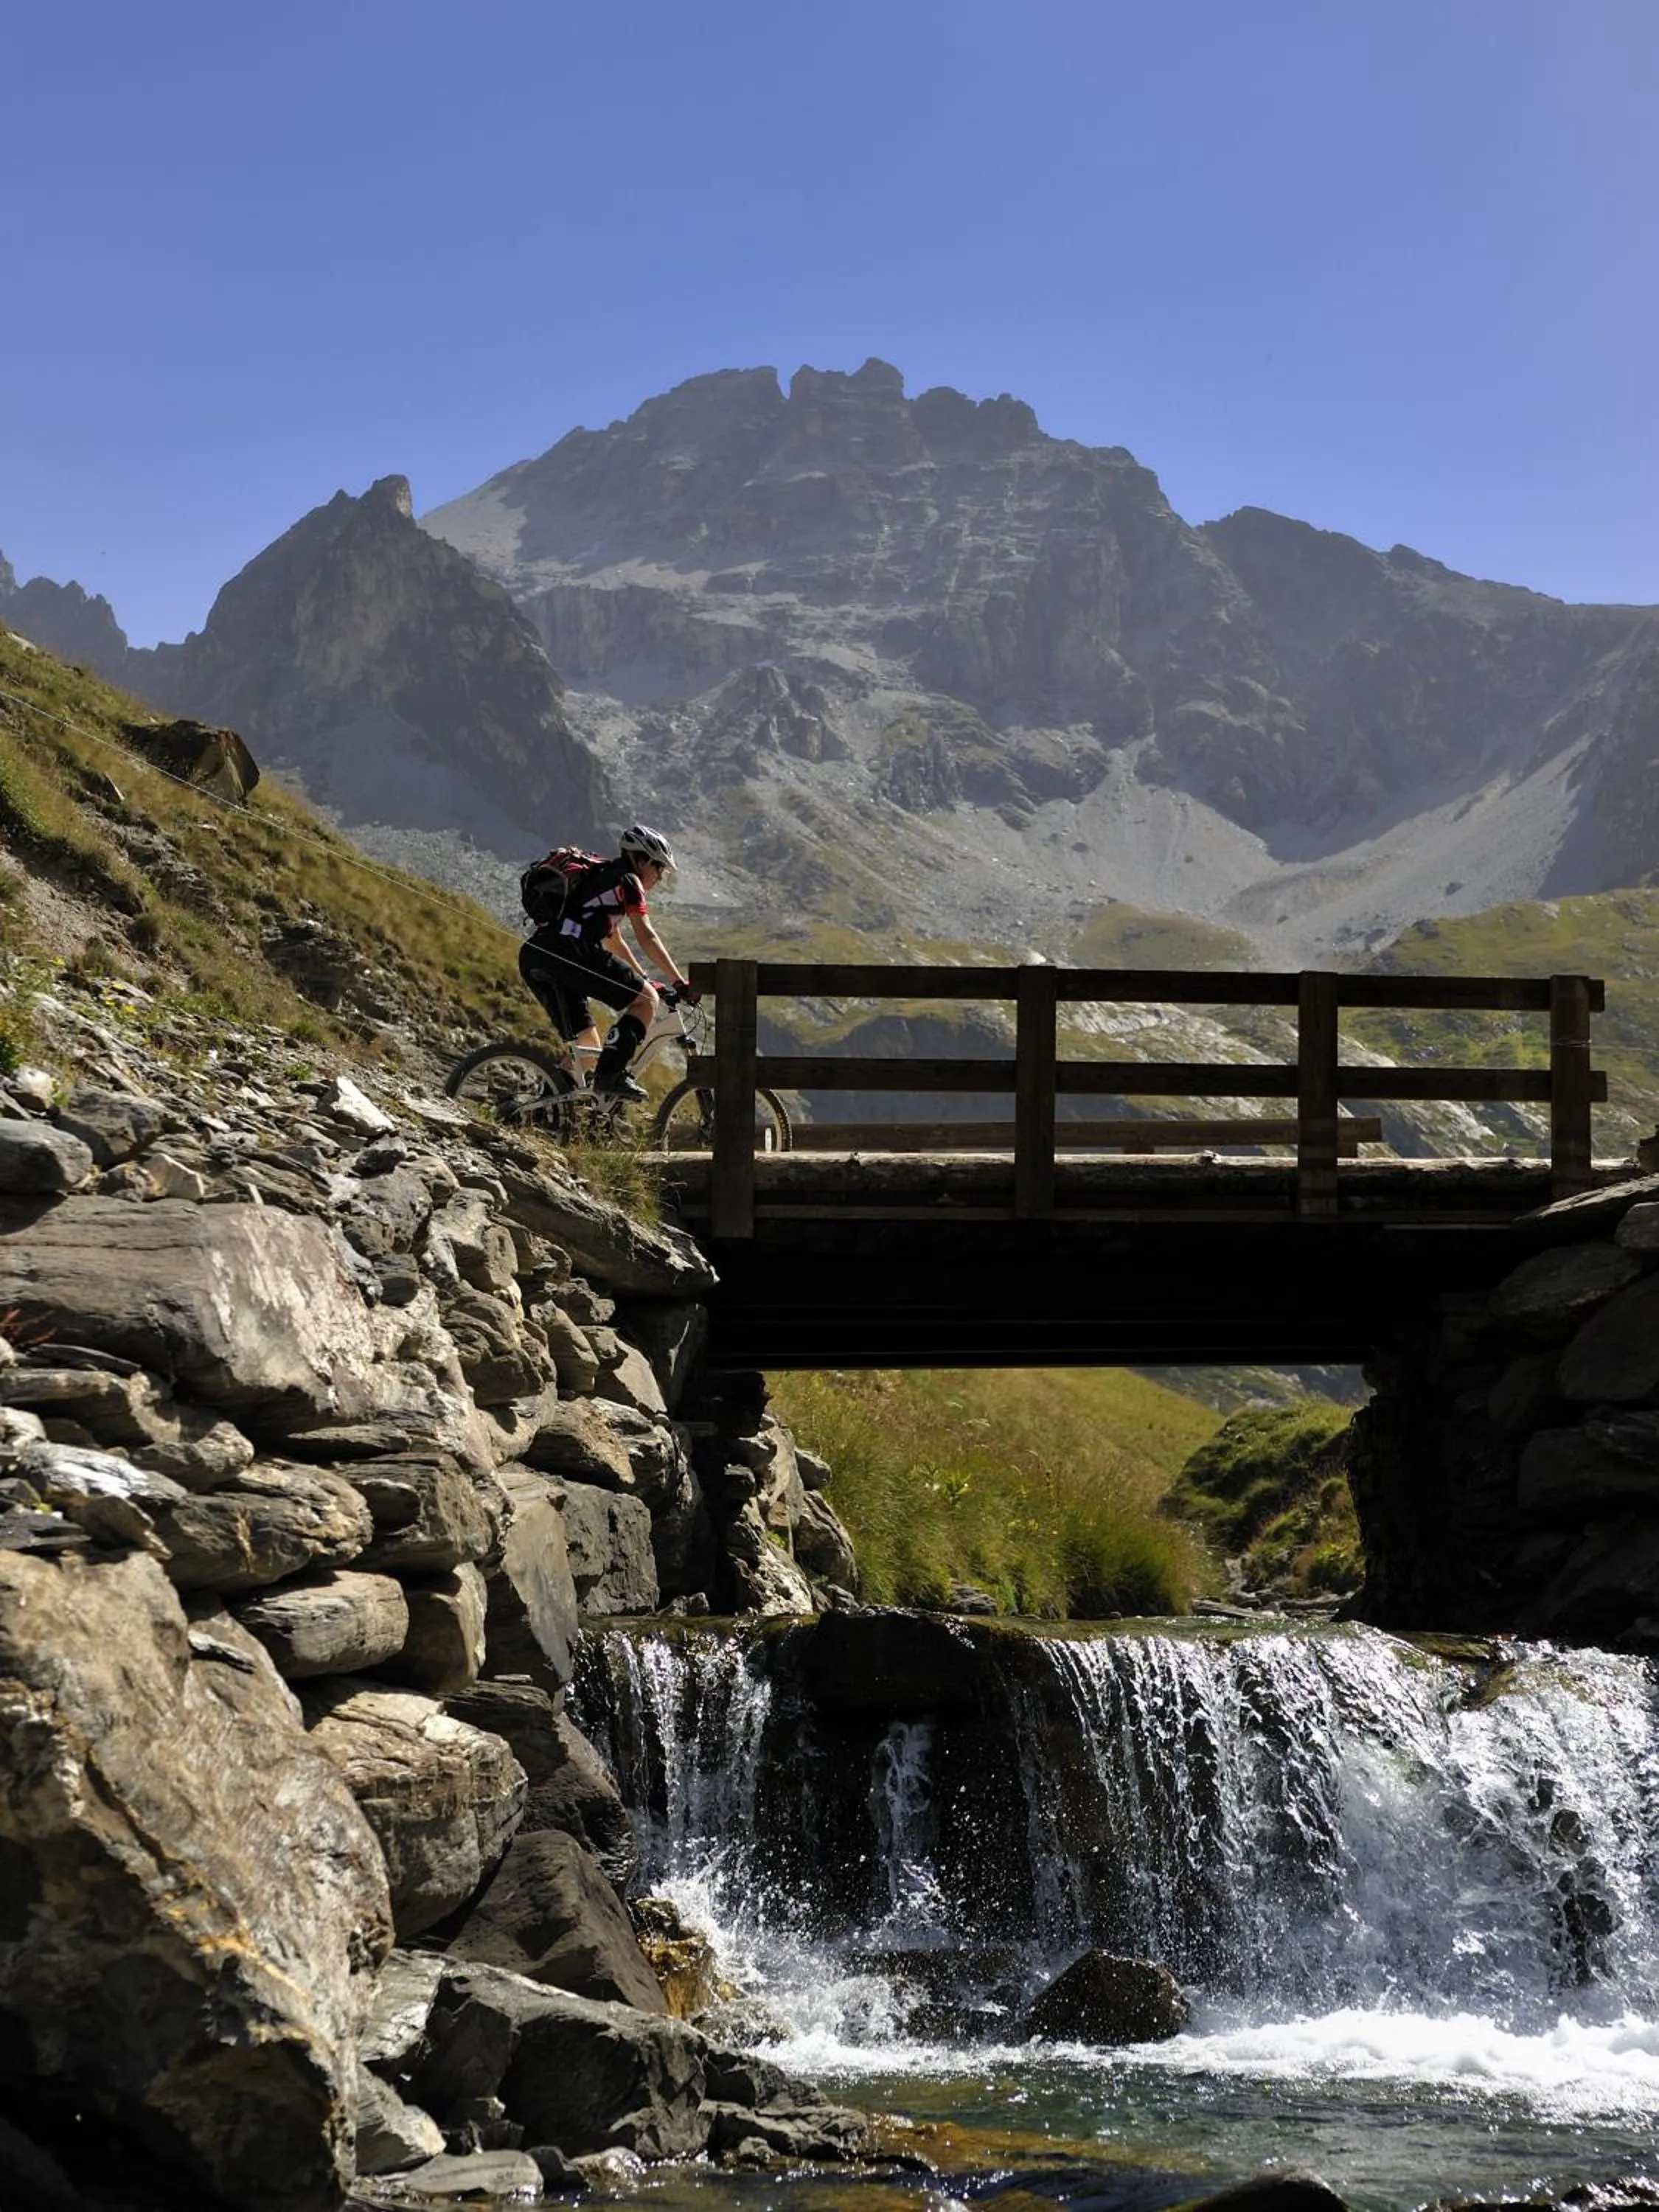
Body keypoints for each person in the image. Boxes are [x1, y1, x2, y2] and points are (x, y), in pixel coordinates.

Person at [518, 823, 698, 1100]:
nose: (660, 877)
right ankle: (611, 1076)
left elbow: (615, 943)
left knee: (587, 1047)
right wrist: (678, 981)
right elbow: (646, 936)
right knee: (646, 1002)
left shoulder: (601, 880)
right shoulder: (629, 881)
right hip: (570, 951)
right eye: (659, 868)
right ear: (642, 860)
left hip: (537, 953)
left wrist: (647, 980)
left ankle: (541, 1108)